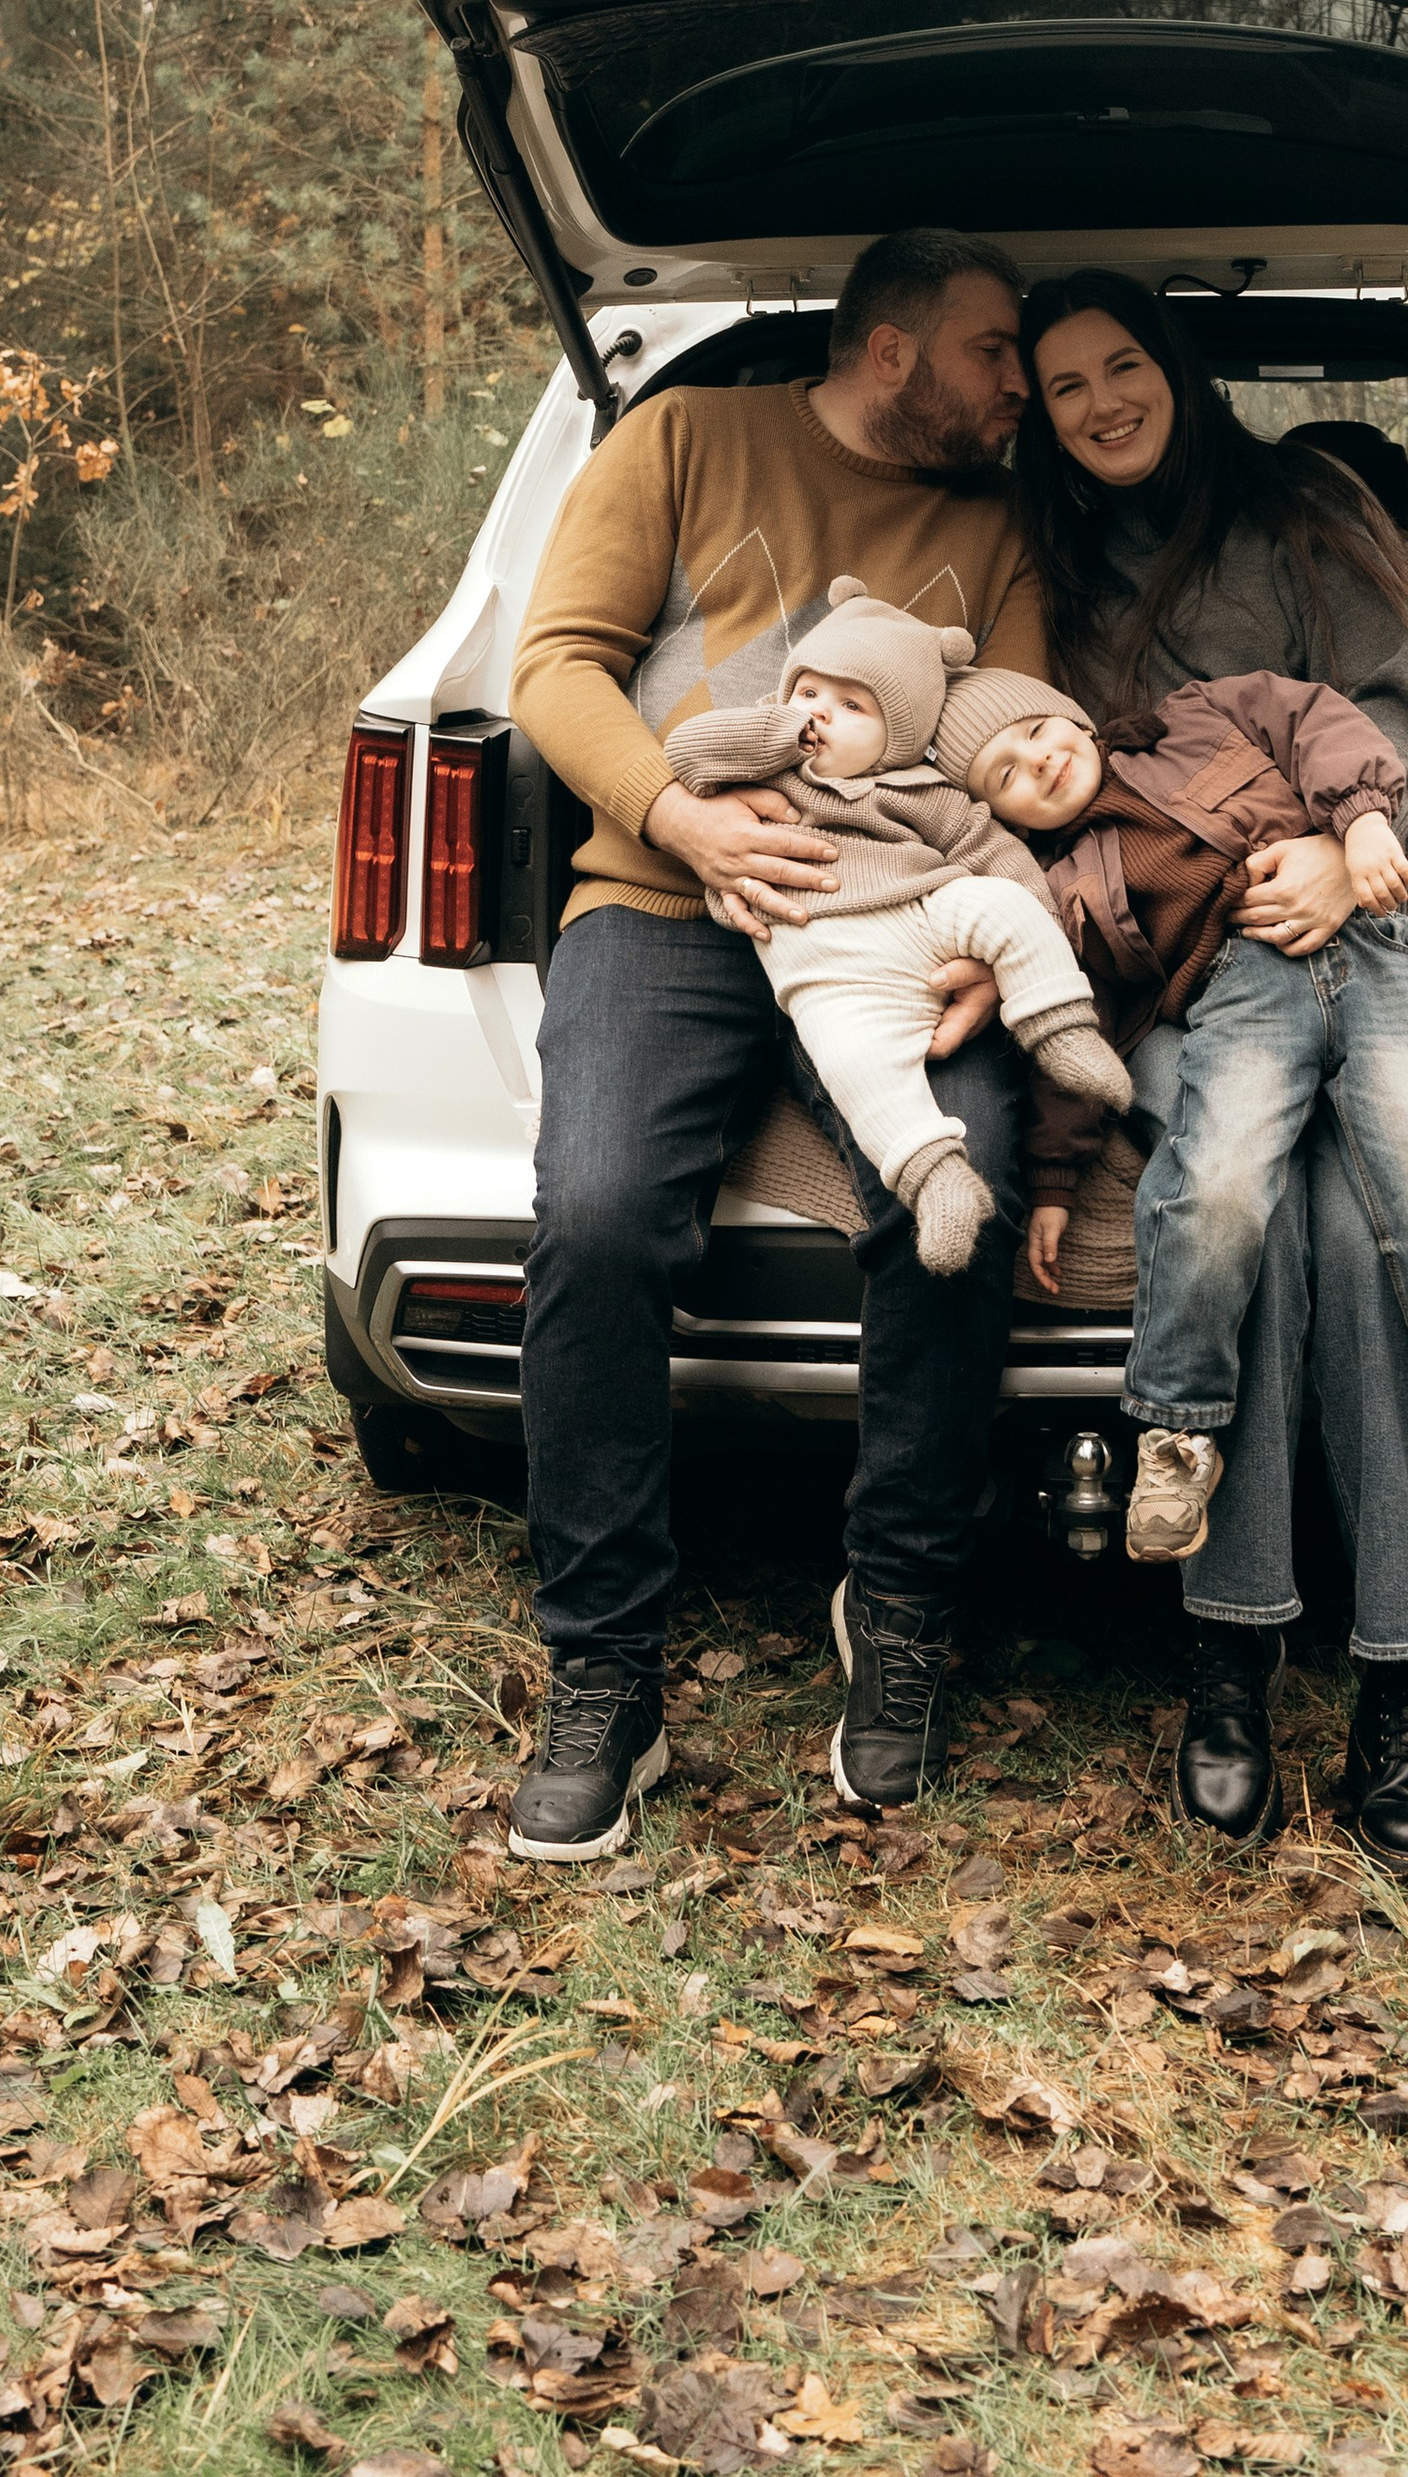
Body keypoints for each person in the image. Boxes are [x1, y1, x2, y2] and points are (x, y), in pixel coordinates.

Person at [1011, 270, 1408, 1874]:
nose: (1107, 402)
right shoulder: (1043, 564)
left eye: (1128, 366)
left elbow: (1392, 734)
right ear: (1043, 420)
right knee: (1260, 1217)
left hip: (1381, 903)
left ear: (1177, 370)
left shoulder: (1309, 510)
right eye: (1068, 386)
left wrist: (1353, 857)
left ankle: (1407, 1680)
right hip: (1205, 960)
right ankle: (1234, 1657)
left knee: (1366, 1221)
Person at [503, 228, 1051, 1857]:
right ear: (894, 353)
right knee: (596, 1214)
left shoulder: (997, 526)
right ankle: (607, 1671)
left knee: (963, 1195)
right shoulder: (682, 436)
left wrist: (1001, 944)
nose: (1015, 386)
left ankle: (895, 1605)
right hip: (663, 911)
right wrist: (684, 815)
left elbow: (1020, 736)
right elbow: (553, 667)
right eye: (993, 353)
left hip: (896, 928)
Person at [933, 665, 1408, 1565]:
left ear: (1073, 715)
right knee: (1216, 1183)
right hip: (1244, 990)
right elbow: (1074, 1034)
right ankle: (1178, 1432)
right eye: (1004, 775)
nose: (1037, 764)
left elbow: (1321, 721)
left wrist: (1364, 819)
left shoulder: (1195, 715)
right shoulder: (1065, 893)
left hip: (1378, 947)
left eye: (1036, 732)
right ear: (1004, 819)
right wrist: (1051, 1179)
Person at [665, 583, 1130, 1272]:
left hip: (926, 915)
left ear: (898, 740)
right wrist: (781, 729)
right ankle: (936, 1181)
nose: (820, 713)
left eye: (852, 706)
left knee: (1005, 911)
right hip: (826, 964)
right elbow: (687, 751)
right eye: (810, 691)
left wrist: (1023, 943)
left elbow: (1000, 859)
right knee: (859, 1069)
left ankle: (1061, 1030)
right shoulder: (768, 768)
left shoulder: (920, 790)